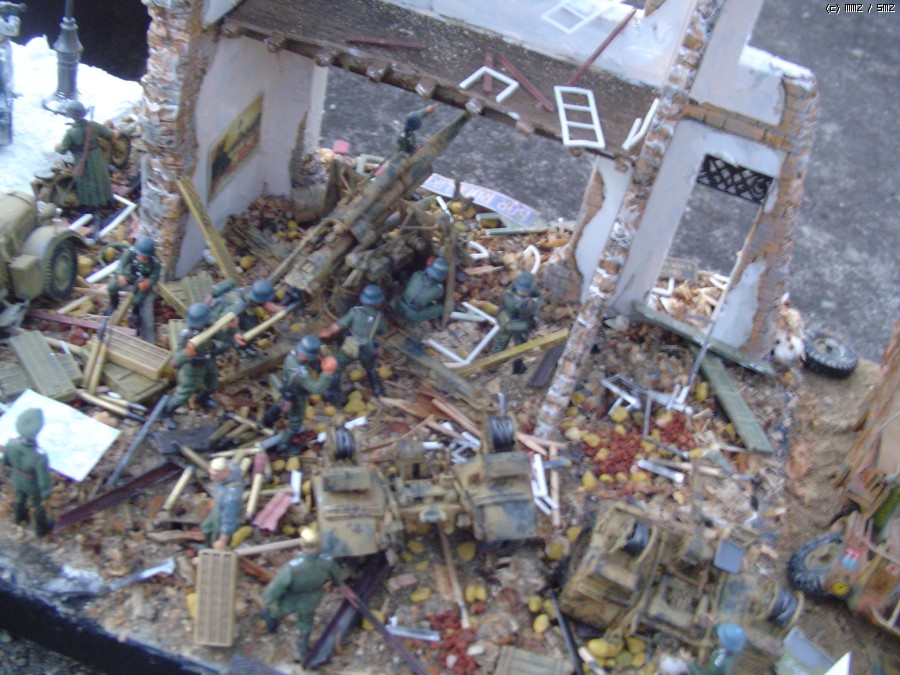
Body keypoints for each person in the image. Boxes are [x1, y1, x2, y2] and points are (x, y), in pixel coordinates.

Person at [260, 526, 344, 661]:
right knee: (306, 622)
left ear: (302, 544)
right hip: (312, 599)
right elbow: (338, 578)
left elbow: (278, 586)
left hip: (292, 598)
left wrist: (267, 599)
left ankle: (272, 625)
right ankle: (303, 648)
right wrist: (335, 584)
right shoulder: (327, 562)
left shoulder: (293, 566)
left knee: (277, 611)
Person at [161, 303, 231, 429]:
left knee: (212, 384)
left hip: (208, 360)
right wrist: (187, 353)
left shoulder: (208, 325)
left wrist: (230, 330)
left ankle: (202, 399)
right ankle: (167, 413)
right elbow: (176, 358)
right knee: (184, 393)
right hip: (193, 366)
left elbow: (222, 336)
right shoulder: (186, 334)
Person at [265, 335, 337, 455]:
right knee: (295, 424)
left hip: (288, 388)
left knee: (280, 405)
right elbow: (317, 389)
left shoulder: (292, 356)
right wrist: (327, 373)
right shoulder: (301, 374)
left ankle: (266, 420)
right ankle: (282, 447)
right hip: (296, 397)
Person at [319, 285, 388, 402]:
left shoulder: (355, 312)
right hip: (368, 347)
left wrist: (328, 331)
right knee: (371, 368)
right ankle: (376, 389)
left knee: (337, 367)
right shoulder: (379, 318)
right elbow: (382, 331)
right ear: (378, 303)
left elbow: (339, 325)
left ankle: (333, 393)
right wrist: (377, 346)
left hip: (352, 345)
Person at [55, 99, 120, 224]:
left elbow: (62, 150)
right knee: (101, 179)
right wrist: (115, 133)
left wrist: (56, 146)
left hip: (82, 162)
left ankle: (91, 209)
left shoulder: (70, 133)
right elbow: (109, 134)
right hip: (97, 158)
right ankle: (107, 201)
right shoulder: (93, 126)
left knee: (85, 185)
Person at [3, 407, 54, 536]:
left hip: (16, 478)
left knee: (19, 498)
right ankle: (41, 528)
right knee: (38, 505)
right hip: (31, 483)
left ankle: (18, 518)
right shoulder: (39, 456)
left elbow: (5, 461)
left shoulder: (10, 444)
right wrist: (46, 492)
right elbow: (43, 479)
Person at [209, 278, 283, 357]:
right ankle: (217, 350)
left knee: (251, 323)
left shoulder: (250, 291)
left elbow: (264, 304)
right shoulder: (238, 306)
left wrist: (280, 310)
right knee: (236, 339)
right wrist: (235, 334)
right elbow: (224, 322)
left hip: (228, 310)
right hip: (217, 320)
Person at [493, 271, 543, 374]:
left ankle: (492, 367)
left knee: (499, 345)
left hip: (506, 324)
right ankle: (518, 368)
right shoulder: (530, 304)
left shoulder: (507, 295)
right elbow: (540, 301)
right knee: (520, 348)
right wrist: (536, 292)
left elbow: (510, 289)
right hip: (521, 327)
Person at [106, 235, 161, 328]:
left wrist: (148, 283)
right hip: (129, 276)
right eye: (140, 256)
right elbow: (120, 265)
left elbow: (154, 276)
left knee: (137, 300)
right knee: (111, 287)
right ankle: (114, 304)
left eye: (145, 257)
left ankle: (135, 312)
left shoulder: (155, 263)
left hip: (143, 281)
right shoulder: (130, 253)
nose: (142, 259)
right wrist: (120, 276)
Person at [395, 257, 448, 349]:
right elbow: (439, 297)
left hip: (399, 304)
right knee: (440, 308)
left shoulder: (417, 274)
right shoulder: (438, 289)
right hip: (411, 316)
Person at [200, 457, 244, 549]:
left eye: (215, 475)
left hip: (225, 512)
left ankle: (214, 547)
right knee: (206, 527)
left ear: (224, 472)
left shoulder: (231, 497)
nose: (211, 478)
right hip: (219, 505)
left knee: (216, 536)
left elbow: (229, 519)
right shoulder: (231, 466)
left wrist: (222, 540)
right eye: (211, 474)